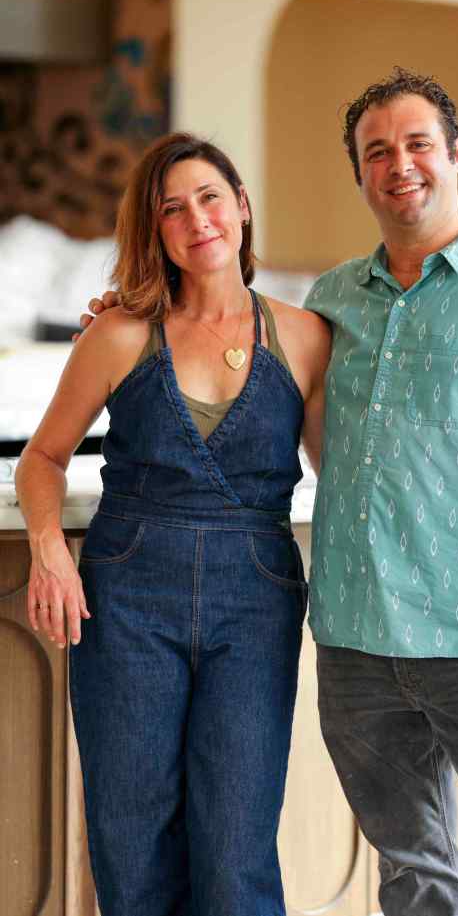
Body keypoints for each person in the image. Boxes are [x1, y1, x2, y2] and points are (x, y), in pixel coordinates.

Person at [80, 69, 458, 915]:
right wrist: (126, 311)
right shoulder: (329, 307)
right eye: (377, 152)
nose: (400, 165)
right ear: (360, 173)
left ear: (457, 153)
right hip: (357, 644)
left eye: (418, 144)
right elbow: (235, 377)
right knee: (412, 873)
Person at [16, 131, 331, 916]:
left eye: (210, 197)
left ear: (242, 207)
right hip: (127, 598)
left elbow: (344, 480)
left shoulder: (305, 336)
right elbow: (42, 459)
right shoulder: (118, 333)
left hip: (255, 601)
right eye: (173, 209)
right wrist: (51, 549)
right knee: (132, 844)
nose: (198, 219)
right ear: (155, 231)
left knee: (235, 851)